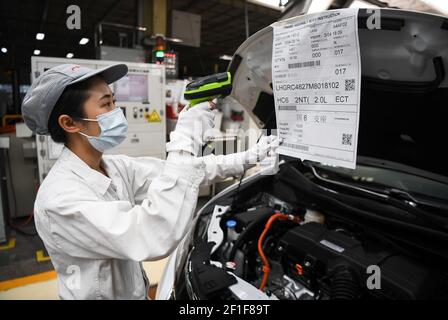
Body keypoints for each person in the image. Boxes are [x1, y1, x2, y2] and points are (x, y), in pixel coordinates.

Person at [21, 63, 279, 300]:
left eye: (114, 101)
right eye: (106, 104)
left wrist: (247, 158)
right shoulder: (60, 200)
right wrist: (184, 139)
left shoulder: (114, 166)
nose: (117, 111)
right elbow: (151, 234)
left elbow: (186, 171)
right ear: (69, 123)